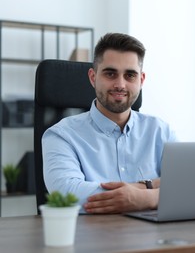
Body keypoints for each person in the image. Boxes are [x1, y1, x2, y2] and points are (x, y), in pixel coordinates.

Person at [42, 33, 177, 214]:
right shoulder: (60, 135)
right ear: (93, 77)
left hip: (153, 237)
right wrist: (151, 187)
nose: (120, 84)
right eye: (110, 73)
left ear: (141, 80)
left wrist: (145, 197)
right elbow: (68, 194)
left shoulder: (162, 132)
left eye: (130, 75)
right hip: (90, 239)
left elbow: (187, 187)